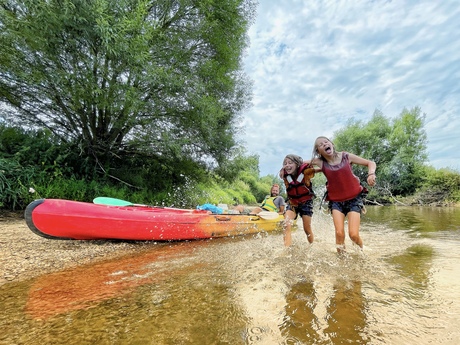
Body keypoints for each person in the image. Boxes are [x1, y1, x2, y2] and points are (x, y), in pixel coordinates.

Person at [308, 136, 376, 254]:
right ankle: (341, 261)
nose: (324, 144)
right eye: (320, 145)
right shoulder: (319, 162)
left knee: (353, 234)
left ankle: (361, 252)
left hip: (354, 199)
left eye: (326, 142)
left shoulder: (346, 156)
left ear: (331, 144)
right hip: (336, 202)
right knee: (339, 233)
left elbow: (370, 163)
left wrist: (371, 174)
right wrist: (286, 168)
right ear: (318, 151)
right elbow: (298, 165)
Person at [280, 154, 317, 247]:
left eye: (290, 163)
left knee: (307, 229)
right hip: (293, 203)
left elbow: (319, 168)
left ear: (297, 164)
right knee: (286, 224)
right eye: (285, 163)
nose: (287, 165)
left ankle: (312, 245)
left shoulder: (306, 172)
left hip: (306, 203)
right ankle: (286, 250)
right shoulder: (285, 175)